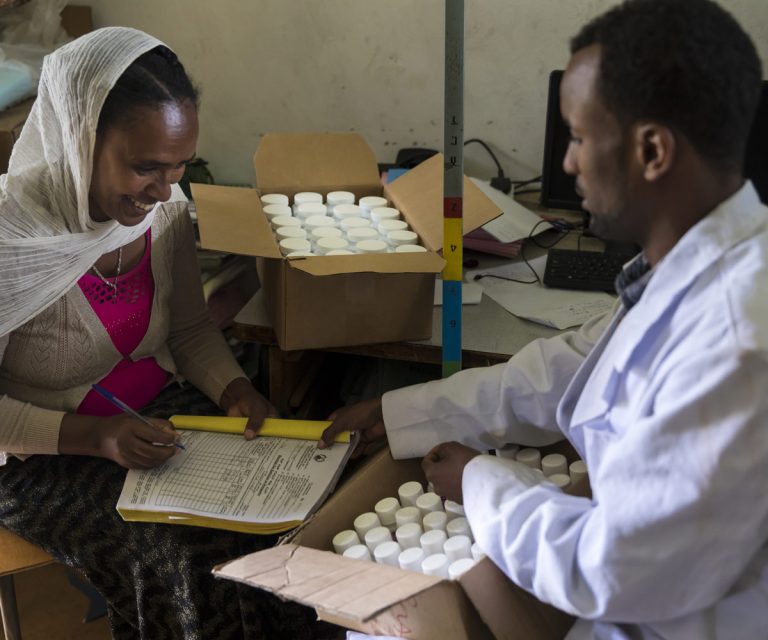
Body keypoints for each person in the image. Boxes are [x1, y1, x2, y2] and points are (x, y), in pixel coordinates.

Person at [321, 0, 768, 637]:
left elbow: (610, 569)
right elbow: (566, 368)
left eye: (581, 138)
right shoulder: (704, 268)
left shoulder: (737, 340)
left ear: (652, 150)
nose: (566, 163)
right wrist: (402, 413)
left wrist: (484, 483)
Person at [0, 27, 340, 640]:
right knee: (183, 555)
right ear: (80, 141)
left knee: (288, 523)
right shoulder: (11, 242)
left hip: (155, 415)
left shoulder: (165, 213)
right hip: (36, 449)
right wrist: (95, 436)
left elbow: (189, 330)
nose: (162, 189)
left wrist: (235, 391)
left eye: (179, 166)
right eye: (145, 168)